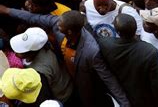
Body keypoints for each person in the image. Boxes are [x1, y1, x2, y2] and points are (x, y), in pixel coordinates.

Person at [0, 8, 131, 106]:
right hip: (63, 76)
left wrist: (125, 104)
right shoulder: (58, 23)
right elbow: (33, 17)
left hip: (81, 89)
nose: (56, 25)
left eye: (60, 26)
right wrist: (8, 11)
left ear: (69, 31)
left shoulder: (91, 51)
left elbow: (108, 77)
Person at [98, 14, 158, 107]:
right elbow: (156, 84)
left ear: (117, 31)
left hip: (120, 95)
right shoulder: (149, 51)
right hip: (142, 99)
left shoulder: (105, 44)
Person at [10, 27, 74, 103]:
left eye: (19, 52)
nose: (15, 54)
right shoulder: (44, 47)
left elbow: (44, 96)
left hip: (62, 96)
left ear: (31, 53)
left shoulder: (39, 72)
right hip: (64, 82)